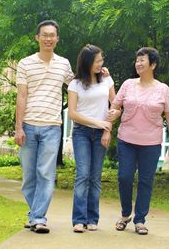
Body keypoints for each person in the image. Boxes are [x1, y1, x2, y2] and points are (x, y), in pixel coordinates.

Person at [15, 20, 75, 234]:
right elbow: (21, 96)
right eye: (45, 35)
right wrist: (18, 127)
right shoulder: (25, 63)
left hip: (52, 127)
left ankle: (39, 218)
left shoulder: (64, 64)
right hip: (29, 126)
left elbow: (77, 85)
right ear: (37, 38)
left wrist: (98, 75)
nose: (49, 38)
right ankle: (34, 215)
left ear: (57, 39)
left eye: (52, 35)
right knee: (29, 177)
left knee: (46, 174)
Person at [110, 47, 169, 235]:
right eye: (137, 60)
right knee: (124, 177)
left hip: (151, 143)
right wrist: (114, 114)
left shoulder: (163, 89)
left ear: (153, 64)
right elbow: (115, 106)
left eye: (142, 60)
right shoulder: (128, 84)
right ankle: (125, 214)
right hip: (126, 139)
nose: (138, 63)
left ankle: (140, 220)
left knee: (146, 181)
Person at [67, 45, 116, 233]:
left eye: (101, 60)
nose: (100, 64)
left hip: (101, 133)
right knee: (83, 175)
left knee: (95, 177)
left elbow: (116, 106)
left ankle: (92, 218)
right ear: (87, 62)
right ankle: (79, 220)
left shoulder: (107, 80)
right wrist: (98, 122)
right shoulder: (75, 84)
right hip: (81, 132)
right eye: (97, 61)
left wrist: (107, 129)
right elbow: (72, 113)